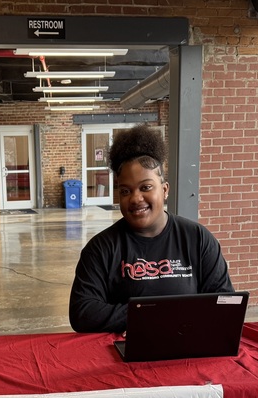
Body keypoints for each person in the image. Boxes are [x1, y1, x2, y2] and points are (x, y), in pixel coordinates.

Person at [69, 125, 235, 333]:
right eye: (125, 191)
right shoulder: (101, 248)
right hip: (124, 353)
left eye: (146, 187)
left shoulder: (197, 238)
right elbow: (83, 313)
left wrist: (157, 317)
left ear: (164, 190)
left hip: (187, 348)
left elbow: (225, 302)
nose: (136, 198)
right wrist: (153, 316)